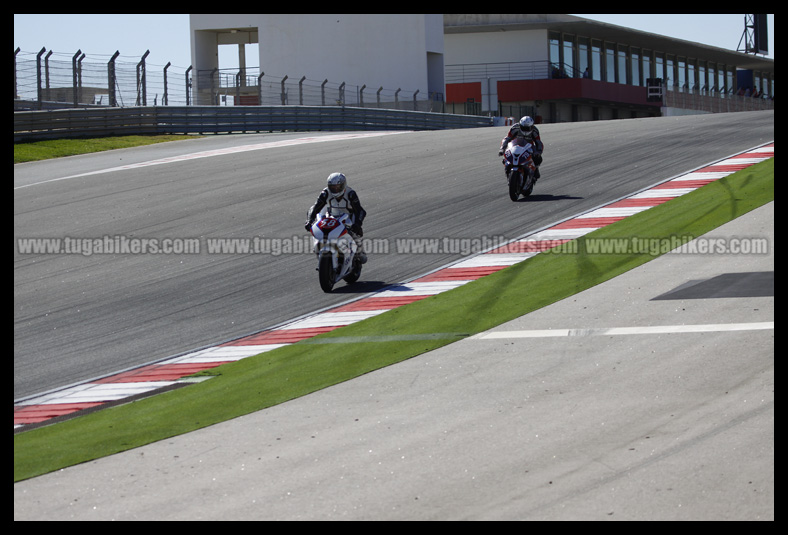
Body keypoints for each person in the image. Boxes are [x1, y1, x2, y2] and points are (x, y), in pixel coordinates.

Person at [305, 172, 367, 263]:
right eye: (332, 187)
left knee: (356, 233)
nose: (335, 189)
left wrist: (357, 224)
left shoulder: (350, 194)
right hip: (331, 217)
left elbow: (360, 211)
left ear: (343, 185)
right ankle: (318, 247)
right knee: (319, 230)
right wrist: (309, 221)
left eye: (338, 187)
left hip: (348, 218)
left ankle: (359, 251)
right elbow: (314, 208)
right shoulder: (325, 193)